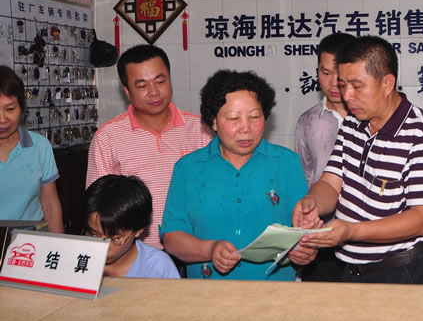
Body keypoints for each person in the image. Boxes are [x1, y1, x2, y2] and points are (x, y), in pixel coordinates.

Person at [293, 36, 423, 285]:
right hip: (353, 270)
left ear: (387, 83)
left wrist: (352, 230)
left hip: (406, 272)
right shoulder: (352, 124)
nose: (347, 96)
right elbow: (331, 183)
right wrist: (311, 203)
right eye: (343, 85)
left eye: (357, 86)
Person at [160, 70, 314, 280]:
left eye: (255, 117)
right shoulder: (188, 168)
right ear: (214, 122)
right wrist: (210, 249)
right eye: (234, 118)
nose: (246, 128)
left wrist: (305, 250)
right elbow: (172, 237)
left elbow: (302, 232)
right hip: (207, 291)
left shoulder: (286, 163)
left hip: (274, 290)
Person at [86, 45, 212, 249]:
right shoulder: (107, 137)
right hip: (135, 253)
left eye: (160, 82)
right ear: (127, 91)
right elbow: (98, 207)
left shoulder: (200, 129)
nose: (154, 92)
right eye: (142, 86)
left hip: (193, 248)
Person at [295, 32, 354, 281]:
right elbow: (307, 176)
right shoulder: (307, 122)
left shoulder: (371, 118)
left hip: (366, 234)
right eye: (325, 72)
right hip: (321, 233)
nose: (333, 82)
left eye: (340, 74)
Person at [0, 65, 63, 233]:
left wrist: (58, 245)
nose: (2, 119)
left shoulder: (40, 146)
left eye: (10, 109)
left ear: (22, 108)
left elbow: (50, 206)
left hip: (30, 244)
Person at [83, 174, 179, 278]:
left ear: (138, 230)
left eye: (115, 239)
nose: (103, 247)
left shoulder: (158, 267)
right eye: (94, 235)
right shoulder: (77, 257)